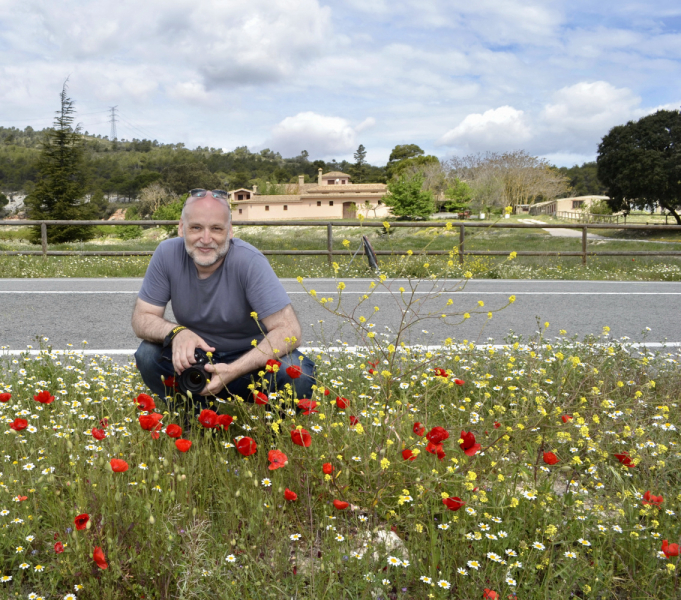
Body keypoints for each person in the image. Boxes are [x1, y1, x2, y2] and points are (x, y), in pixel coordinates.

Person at [131, 189, 315, 410]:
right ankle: (193, 415)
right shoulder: (166, 254)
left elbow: (289, 332)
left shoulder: (250, 261)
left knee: (298, 371)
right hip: (196, 360)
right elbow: (142, 318)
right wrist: (177, 332)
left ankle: (274, 431)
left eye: (216, 229)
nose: (206, 239)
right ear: (181, 228)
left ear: (230, 231)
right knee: (148, 354)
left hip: (251, 361)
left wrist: (235, 369)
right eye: (196, 227)